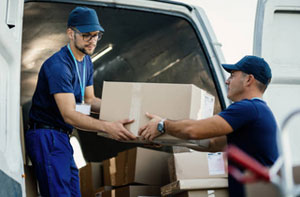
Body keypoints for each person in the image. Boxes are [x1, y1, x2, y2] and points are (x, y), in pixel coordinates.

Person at [26, 6, 136, 196]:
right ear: (71, 33)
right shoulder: (59, 66)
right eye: (87, 35)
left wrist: (126, 111)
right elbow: (69, 115)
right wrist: (108, 126)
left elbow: (90, 100)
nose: (92, 41)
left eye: (96, 35)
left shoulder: (86, 62)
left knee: (74, 191)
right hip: (47, 136)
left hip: (62, 137)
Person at [138, 55, 279, 197]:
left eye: (232, 76)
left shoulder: (248, 108)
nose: (227, 81)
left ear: (249, 79)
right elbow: (211, 144)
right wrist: (163, 138)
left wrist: (162, 124)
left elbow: (193, 131)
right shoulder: (257, 112)